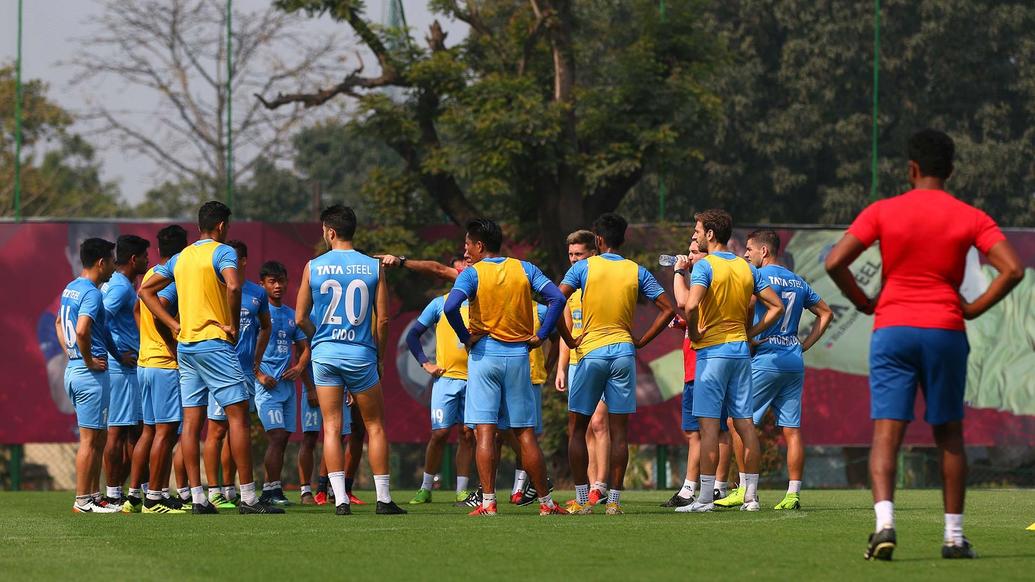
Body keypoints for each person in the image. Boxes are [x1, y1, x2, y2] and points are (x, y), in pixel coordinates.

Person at [824, 129, 1023, 560]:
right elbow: (1013, 269)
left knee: (886, 433)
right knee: (949, 434)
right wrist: (972, 308)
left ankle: (884, 526)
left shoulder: (883, 211)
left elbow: (834, 261)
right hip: (945, 331)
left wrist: (864, 303)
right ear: (950, 171)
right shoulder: (970, 215)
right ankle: (953, 538)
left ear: (911, 169)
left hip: (892, 329)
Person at [139, 200, 283, 514]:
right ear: (220, 226)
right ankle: (248, 498)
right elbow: (233, 284)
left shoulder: (182, 256)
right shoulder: (222, 251)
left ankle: (199, 500)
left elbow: (146, 291)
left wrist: (174, 325)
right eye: (227, 226)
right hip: (215, 344)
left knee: (191, 424)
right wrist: (232, 324)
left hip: (187, 347)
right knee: (238, 418)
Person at [443, 218, 568, 516]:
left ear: (480, 245)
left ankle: (488, 503)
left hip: (484, 356)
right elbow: (557, 298)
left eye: (467, 245)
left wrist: (466, 338)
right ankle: (546, 504)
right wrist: (540, 335)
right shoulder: (524, 268)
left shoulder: (472, 274)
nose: (465, 249)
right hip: (518, 357)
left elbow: (450, 308)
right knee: (525, 434)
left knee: (484, 432)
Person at [558, 213, 675, 515]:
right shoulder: (636, 270)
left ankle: (583, 501)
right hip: (623, 353)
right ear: (623, 240)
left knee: (577, 429)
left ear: (597, 241)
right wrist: (641, 340)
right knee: (619, 432)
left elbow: (556, 301)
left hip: (592, 351)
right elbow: (667, 309)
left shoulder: (583, 267)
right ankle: (614, 502)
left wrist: (569, 339)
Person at [296, 204, 406, 516]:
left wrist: (321, 335)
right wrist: (379, 357)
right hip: (361, 355)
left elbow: (301, 317)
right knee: (375, 426)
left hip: (325, 354)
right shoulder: (373, 267)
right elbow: (382, 320)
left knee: (331, 427)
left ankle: (340, 500)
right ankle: (383, 499)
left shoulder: (313, 266)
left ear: (330, 232)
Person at [678, 209, 784, 513]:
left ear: (710, 234)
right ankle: (751, 497)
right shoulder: (745, 267)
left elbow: (691, 304)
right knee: (745, 423)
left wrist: (696, 332)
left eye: (697, 230)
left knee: (709, 428)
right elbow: (776, 307)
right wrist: (750, 332)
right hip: (740, 351)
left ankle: (705, 499)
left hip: (712, 354)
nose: (695, 235)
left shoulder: (705, 266)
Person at [725, 229, 833, 511]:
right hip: (793, 360)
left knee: (738, 423)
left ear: (764, 251)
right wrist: (804, 346)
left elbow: (749, 304)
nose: (746, 254)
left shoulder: (757, 277)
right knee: (792, 430)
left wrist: (748, 334)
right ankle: (793, 494)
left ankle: (746, 491)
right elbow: (826, 313)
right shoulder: (797, 281)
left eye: (749, 249)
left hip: (767, 358)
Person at [661, 237, 729, 509]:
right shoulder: (704, 282)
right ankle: (705, 488)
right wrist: (683, 325)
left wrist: (678, 272)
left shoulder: (705, 278)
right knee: (700, 431)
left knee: (711, 430)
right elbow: (692, 314)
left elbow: (682, 301)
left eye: (691, 252)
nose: (686, 257)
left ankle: (707, 488)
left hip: (705, 365)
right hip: (696, 366)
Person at [125, 226, 189, 514]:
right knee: (166, 433)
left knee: (149, 432)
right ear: (183, 250)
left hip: (145, 363)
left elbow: (140, 308)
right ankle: (154, 498)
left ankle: (134, 497)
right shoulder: (172, 278)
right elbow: (161, 306)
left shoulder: (151, 275)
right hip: (164, 365)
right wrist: (171, 344)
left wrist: (145, 339)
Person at [204, 240, 271, 508]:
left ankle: (231, 490)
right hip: (219, 367)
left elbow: (265, 327)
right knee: (217, 431)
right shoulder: (216, 289)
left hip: (244, 371)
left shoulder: (257, 293)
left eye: (233, 258)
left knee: (239, 428)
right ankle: (214, 491)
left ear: (243, 261)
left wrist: (256, 360)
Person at [60, 237, 119, 513]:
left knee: (97, 438)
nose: (114, 267)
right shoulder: (92, 293)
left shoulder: (71, 287)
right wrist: (88, 360)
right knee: (90, 439)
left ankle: (93, 497)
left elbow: (60, 323)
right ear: (101, 262)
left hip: (74, 370)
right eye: (112, 261)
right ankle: (82, 501)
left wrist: (71, 353)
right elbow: (82, 330)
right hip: (88, 373)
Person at [404, 287, 476, 505]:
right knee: (440, 433)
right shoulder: (440, 303)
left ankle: (462, 491)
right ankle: (426, 488)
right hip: (445, 380)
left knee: (467, 434)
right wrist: (426, 363)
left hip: (475, 379)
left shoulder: (483, 302)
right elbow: (412, 335)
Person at [554, 230, 609, 507]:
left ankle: (602, 484)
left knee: (599, 422)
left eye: (580, 255)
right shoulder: (569, 286)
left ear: (593, 254)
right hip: (577, 363)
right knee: (582, 429)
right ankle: (588, 491)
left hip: (600, 357)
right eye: (571, 255)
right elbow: (567, 331)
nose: (574, 260)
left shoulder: (600, 281)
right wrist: (562, 368)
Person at [252, 261, 310, 506]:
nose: (277, 286)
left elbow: (305, 348)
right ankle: (269, 492)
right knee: (275, 437)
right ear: (262, 284)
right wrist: (259, 374)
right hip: (266, 388)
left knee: (284, 439)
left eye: (281, 281)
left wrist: (298, 367)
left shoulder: (290, 314)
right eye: (272, 282)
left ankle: (272, 487)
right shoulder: (256, 314)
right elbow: (244, 348)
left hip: (287, 389)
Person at [100, 235, 151, 508]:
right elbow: (99, 319)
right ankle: (112, 494)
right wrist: (117, 353)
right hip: (122, 369)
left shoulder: (121, 284)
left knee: (135, 431)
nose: (148, 260)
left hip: (129, 369)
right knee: (118, 432)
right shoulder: (119, 288)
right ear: (134, 259)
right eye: (145, 256)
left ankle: (136, 491)